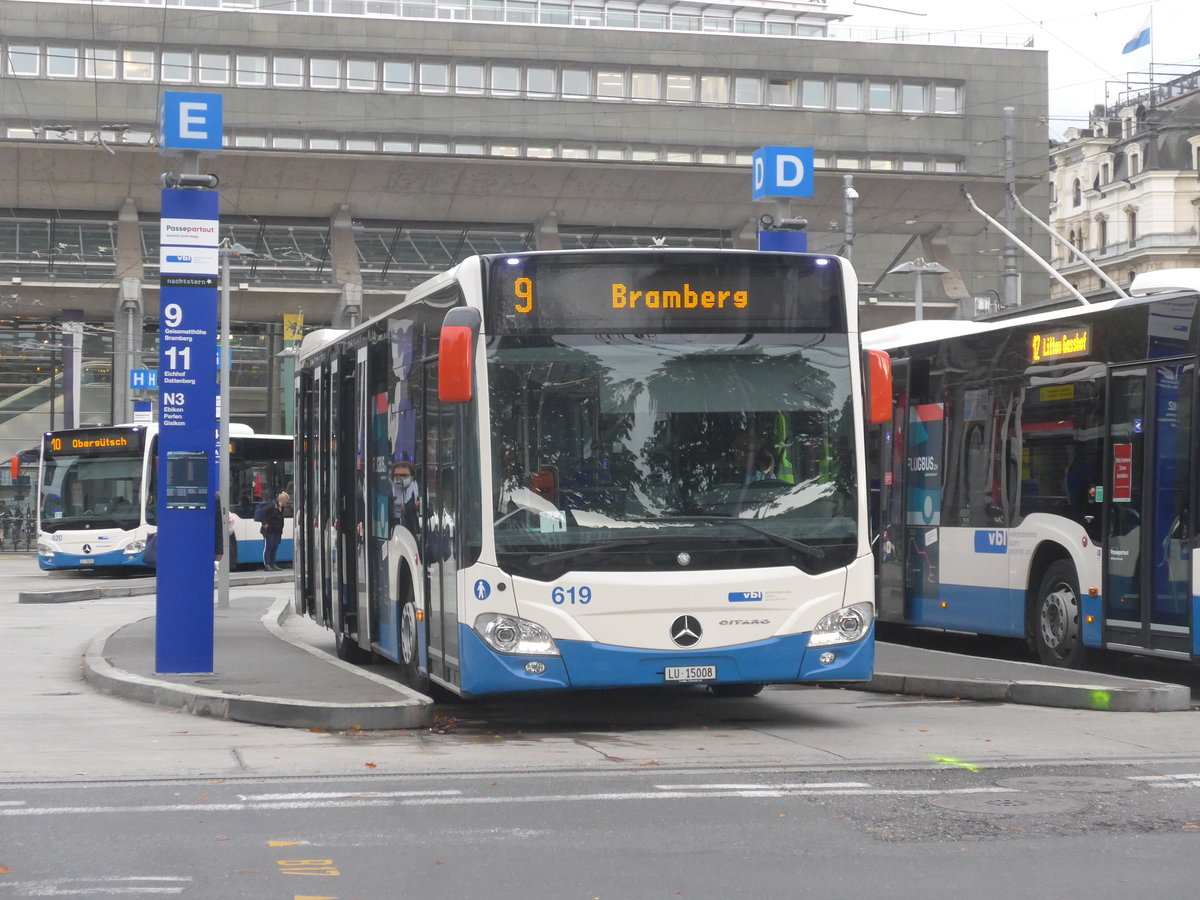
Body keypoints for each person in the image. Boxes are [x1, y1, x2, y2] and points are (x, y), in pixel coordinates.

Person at [261, 491, 289, 570]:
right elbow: (263, 512)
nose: (287, 502)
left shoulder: (282, 507)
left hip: (277, 530)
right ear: (282, 499)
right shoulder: (272, 505)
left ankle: (273, 563)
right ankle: (267, 564)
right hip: (269, 530)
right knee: (269, 546)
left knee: (274, 546)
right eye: (286, 500)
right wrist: (264, 523)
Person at [391, 460, 420, 533]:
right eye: (396, 475)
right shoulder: (389, 492)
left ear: (412, 477)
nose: (400, 478)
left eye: (404, 475)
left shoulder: (416, 490)